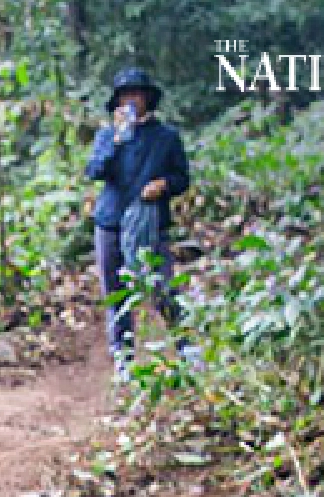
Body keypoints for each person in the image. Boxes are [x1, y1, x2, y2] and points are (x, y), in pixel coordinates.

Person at [86, 66, 196, 379]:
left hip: (151, 224)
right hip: (110, 222)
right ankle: (123, 357)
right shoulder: (107, 135)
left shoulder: (166, 137)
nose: (131, 100)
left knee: (162, 286)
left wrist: (164, 184)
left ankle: (186, 347)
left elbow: (182, 178)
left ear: (148, 97)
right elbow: (95, 171)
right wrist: (117, 140)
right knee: (116, 291)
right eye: (125, 95)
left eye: (136, 93)